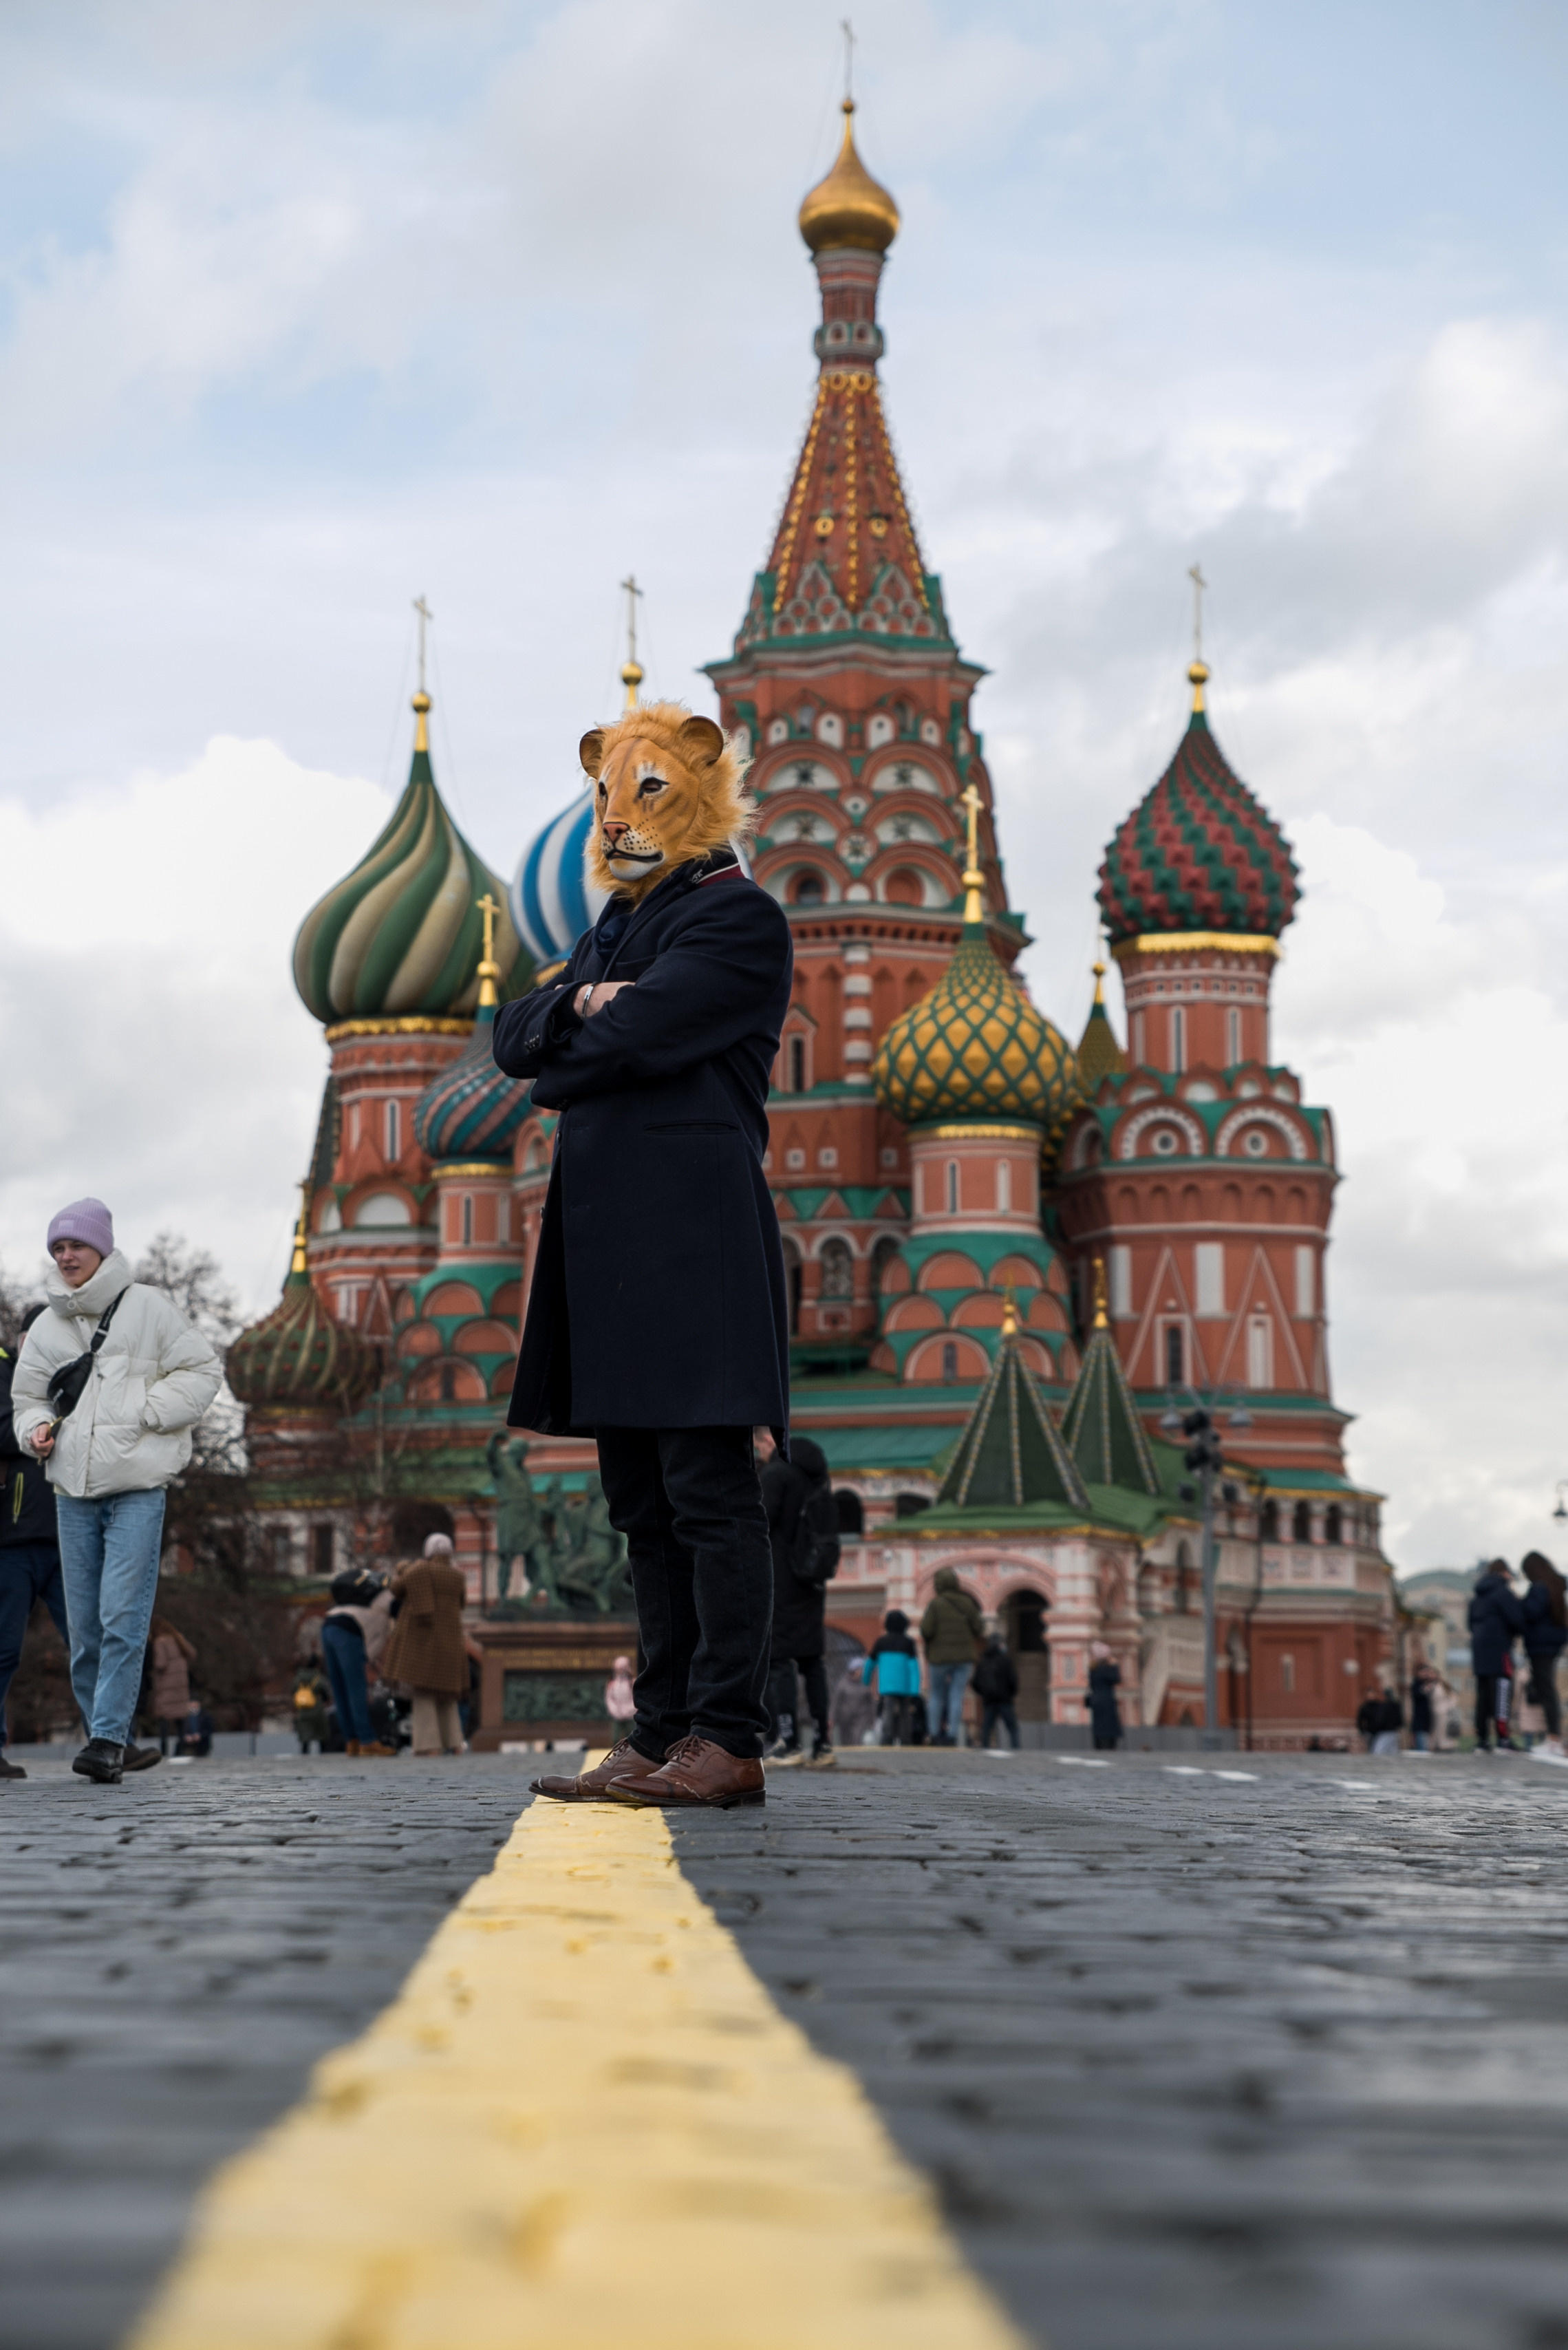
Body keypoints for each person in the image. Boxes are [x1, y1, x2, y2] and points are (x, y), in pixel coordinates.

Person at [496, 704, 791, 1812]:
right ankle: (658, 1730)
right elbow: (516, 1038)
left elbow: (614, 1043)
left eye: (648, 790)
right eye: (608, 794)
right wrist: (578, 1000)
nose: (619, 816)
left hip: (690, 1238)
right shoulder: (612, 931)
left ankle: (727, 1735)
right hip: (608, 1243)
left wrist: (577, 1026)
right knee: (641, 1502)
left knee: (710, 1494)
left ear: (702, 789)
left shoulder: (737, 918)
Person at [11, 1199, 221, 1785]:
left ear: (102, 1248)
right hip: (72, 1490)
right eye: (57, 1248)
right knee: (85, 1629)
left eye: (76, 1245)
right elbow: (25, 1400)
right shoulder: (48, 1326)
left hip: (135, 1487)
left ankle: (107, 1740)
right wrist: (36, 1432)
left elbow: (203, 1371)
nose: (66, 1256)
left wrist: (148, 1413)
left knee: (123, 1614)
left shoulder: (148, 1306)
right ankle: (102, 1731)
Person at [0, 1303, 70, 1781]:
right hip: (12, 1538)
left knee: (91, 1641)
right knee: (3, 1649)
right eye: (36, 1336)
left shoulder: (73, 1377)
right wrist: (37, 1429)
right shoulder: (5, 1373)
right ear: (23, 1339)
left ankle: (114, 1740)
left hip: (69, 1536)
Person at [759, 1431, 837, 1769]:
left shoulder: (777, 1475)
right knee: (812, 1662)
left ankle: (788, 1741)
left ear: (767, 1440)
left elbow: (758, 1522)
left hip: (781, 1581)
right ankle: (823, 1743)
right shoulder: (817, 1477)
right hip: (812, 1582)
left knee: (779, 1662)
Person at [381, 1533, 469, 1755]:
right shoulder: (457, 1576)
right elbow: (462, 1604)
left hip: (423, 1642)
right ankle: (456, 1743)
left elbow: (396, 1589)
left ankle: (429, 1746)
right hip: (450, 1641)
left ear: (428, 1551)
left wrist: (403, 1569)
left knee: (423, 1695)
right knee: (447, 1696)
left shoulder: (420, 1570)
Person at [321, 1567, 396, 1758]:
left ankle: (351, 1742)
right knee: (356, 1690)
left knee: (340, 1690)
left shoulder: (356, 1599)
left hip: (329, 1625)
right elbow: (399, 1615)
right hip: (349, 1630)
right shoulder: (387, 1597)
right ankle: (367, 1741)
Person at [920, 1567, 982, 1747]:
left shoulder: (935, 1604)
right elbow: (979, 1629)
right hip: (964, 1658)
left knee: (936, 1695)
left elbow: (926, 1630)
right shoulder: (966, 1603)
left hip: (938, 1658)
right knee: (957, 1695)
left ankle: (933, 1734)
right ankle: (952, 1735)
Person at [1468, 1559, 1525, 1753]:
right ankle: (1503, 1739)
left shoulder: (1476, 1598)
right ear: (1504, 1573)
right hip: (1500, 1652)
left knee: (1483, 1696)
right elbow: (1518, 1620)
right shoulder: (1503, 1593)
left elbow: (1470, 1625)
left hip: (1479, 1654)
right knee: (1502, 1693)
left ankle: (1482, 1740)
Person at [1521, 1551, 1568, 1762]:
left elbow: (1531, 1612)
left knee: (1546, 1691)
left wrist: (1519, 1604)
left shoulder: (1540, 1588)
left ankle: (1554, 1740)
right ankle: (1554, 1739)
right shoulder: (1555, 1586)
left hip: (1541, 1645)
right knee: (1548, 1691)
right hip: (1552, 1643)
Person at [863, 1610, 921, 1745]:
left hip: (887, 1686)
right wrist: (915, 1689)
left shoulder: (881, 1642)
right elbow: (914, 1667)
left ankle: (887, 1738)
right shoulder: (908, 1643)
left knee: (887, 1712)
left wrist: (865, 1681)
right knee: (905, 1713)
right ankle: (906, 1739)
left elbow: (869, 1664)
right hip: (905, 1686)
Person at [148, 1616, 197, 1754]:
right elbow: (192, 1653)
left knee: (164, 1721)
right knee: (181, 1719)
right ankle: (180, 1751)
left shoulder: (160, 1642)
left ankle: (164, 1752)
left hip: (166, 1687)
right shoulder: (178, 1639)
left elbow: (160, 1664)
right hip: (181, 1686)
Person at [972, 1635, 1020, 1751]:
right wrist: (1011, 1694)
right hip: (1005, 1700)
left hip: (989, 1700)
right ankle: (1016, 1748)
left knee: (987, 1728)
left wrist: (983, 1693)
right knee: (1012, 1727)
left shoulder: (983, 1661)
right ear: (1000, 1645)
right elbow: (1013, 1680)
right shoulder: (1006, 1660)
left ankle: (985, 1748)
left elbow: (975, 1682)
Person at [1084, 1643, 1123, 1751]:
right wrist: (1115, 1666)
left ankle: (1099, 1743)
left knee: (1098, 1724)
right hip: (1107, 1700)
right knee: (1109, 1724)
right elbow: (1116, 1679)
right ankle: (1109, 1744)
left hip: (1095, 1700)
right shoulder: (1106, 1669)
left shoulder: (1093, 1668)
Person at [604, 1653, 637, 1733]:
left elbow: (636, 1698)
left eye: (621, 1668)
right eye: (618, 1669)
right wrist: (614, 1711)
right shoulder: (612, 1682)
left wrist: (630, 1710)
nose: (619, 1671)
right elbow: (609, 1698)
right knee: (616, 1739)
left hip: (630, 1716)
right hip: (617, 1716)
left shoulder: (632, 1682)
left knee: (630, 1737)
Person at [1409, 1667, 1437, 1753]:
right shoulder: (1416, 1684)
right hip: (1419, 1721)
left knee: (1424, 1747)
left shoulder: (1427, 1684)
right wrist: (1425, 1689)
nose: (1425, 1675)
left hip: (1426, 1721)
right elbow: (1417, 1694)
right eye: (1423, 1672)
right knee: (1422, 1749)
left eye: (1426, 1673)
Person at [1371, 1686, 1403, 1757]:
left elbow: (1380, 1720)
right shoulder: (1396, 1706)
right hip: (1394, 1732)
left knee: (1378, 1752)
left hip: (1384, 1733)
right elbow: (1400, 1720)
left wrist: (1375, 1729)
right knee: (1393, 1753)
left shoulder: (1383, 1706)